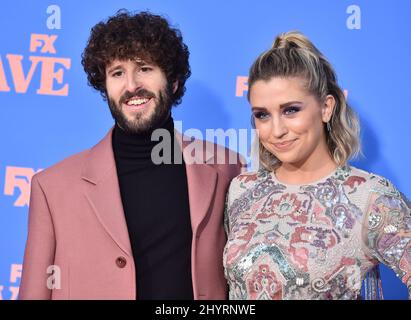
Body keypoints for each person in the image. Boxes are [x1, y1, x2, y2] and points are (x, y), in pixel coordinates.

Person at [19, 10, 243, 300]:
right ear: (105, 87)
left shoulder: (226, 168)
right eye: (117, 73)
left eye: (145, 68)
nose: (131, 85)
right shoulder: (52, 187)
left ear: (173, 81)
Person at [223, 31, 411, 300]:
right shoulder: (241, 190)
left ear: (326, 107)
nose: (276, 130)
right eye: (262, 115)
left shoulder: (369, 197)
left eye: (291, 110)